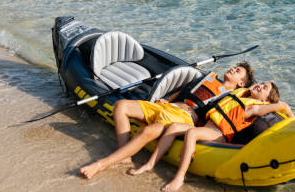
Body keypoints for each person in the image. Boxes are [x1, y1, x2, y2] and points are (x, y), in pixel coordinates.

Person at [79, 63, 255, 179]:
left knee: (148, 131)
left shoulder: (233, 96)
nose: (233, 69)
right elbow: (184, 90)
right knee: (121, 106)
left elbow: (258, 101)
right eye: (234, 66)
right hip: (166, 107)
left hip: (183, 117)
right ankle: (125, 155)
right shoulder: (209, 77)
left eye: (238, 71)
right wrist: (168, 100)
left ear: (241, 84)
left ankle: (101, 164)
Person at [131, 81, 294, 192]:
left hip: (219, 135)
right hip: (206, 127)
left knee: (192, 133)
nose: (260, 85)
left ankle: (179, 177)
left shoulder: (254, 108)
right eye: (261, 83)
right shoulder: (239, 94)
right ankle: (150, 163)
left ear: (266, 99)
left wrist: (292, 119)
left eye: (264, 88)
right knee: (173, 127)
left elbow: (283, 105)